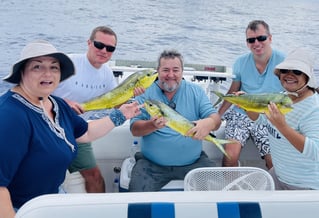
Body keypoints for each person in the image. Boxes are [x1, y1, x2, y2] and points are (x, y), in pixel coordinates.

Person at [0, 40, 141, 217]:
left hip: (52, 200)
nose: (48, 73)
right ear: (22, 72)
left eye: (54, 67)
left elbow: (86, 133)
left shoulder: (54, 103)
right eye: (37, 67)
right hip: (23, 210)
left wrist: (120, 115)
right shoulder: (10, 115)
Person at [53, 26, 144, 193]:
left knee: (94, 176)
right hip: (50, 129)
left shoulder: (107, 74)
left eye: (110, 48)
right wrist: (65, 102)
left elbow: (116, 103)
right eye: (99, 45)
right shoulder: (68, 63)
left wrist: (133, 93)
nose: (104, 51)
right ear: (89, 43)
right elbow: (40, 91)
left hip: (77, 131)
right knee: (50, 176)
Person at [128, 50, 221, 192]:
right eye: (165, 70)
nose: (170, 75)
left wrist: (209, 123)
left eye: (175, 70)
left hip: (194, 163)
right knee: (137, 202)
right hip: (151, 166)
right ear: (157, 71)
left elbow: (215, 118)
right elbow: (135, 129)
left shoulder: (196, 91)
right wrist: (152, 125)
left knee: (219, 190)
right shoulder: (145, 93)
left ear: (182, 72)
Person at [217, 20, 286, 169]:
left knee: (275, 163)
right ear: (247, 43)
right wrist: (218, 115)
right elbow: (232, 91)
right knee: (230, 158)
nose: (257, 43)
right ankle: (232, 190)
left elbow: (294, 92)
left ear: (270, 38)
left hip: (268, 116)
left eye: (261, 38)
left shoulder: (284, 62)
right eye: (251, 40)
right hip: (241, 113)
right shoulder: (240, 62)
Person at [248, 47, 319, 190]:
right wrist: (247, 105)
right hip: (279, 175)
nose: (289, 75)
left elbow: (316, 151)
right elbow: (262, 121)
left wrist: (283, 126)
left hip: (304, 185)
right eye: (285, 71)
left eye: (297, 72)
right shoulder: (282, 97)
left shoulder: (314, 109)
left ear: (307, 78)